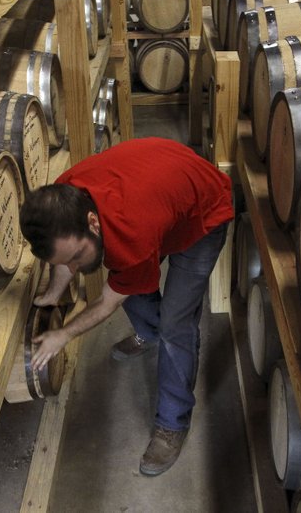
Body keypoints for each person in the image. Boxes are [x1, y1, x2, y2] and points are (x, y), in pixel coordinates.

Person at [20, 137, 233, 476]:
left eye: (76, 258)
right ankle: (149, 335)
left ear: (92, 222)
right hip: (165, 188)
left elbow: (106, 302)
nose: (73, 268)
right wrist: (52, 292)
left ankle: (172, 423)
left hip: (204, 214)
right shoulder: (62, 198)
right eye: (67, 261)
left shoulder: (130, 234)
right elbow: (65, 261)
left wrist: (63, 334)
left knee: (175, 325)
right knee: (132, 283)